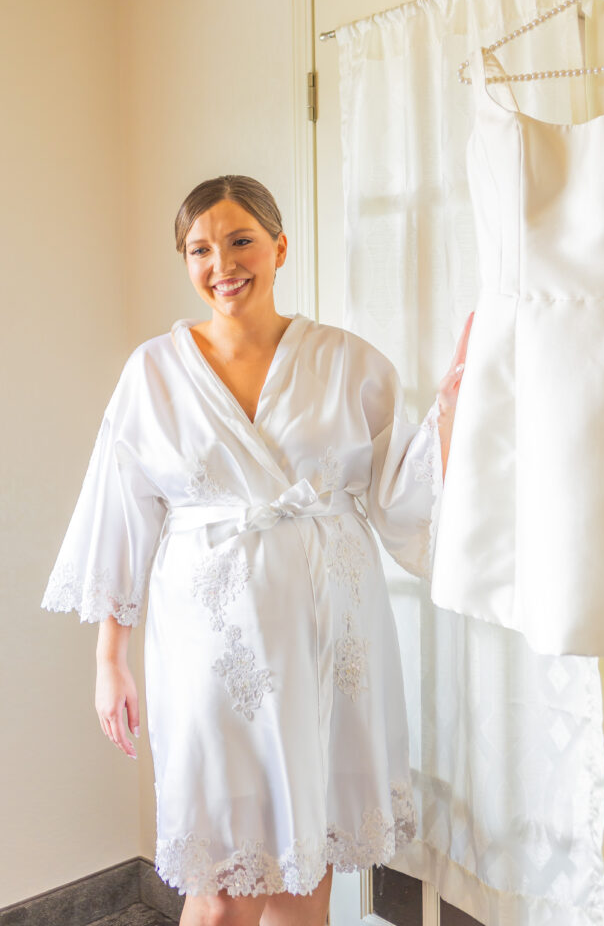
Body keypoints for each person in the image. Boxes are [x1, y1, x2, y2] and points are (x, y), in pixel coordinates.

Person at [41, 175, 473, 926]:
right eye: (199, 248)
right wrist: (109, 660)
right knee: (217, 887)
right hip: (208, 644)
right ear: (185, 261)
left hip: (330, 635)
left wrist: (453, 405)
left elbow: (400, 496)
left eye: (240, 240)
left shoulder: (347, 361)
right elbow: (121, 516)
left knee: (305, 879)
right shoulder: (153, 373)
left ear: (277, 246)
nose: (222, 263)